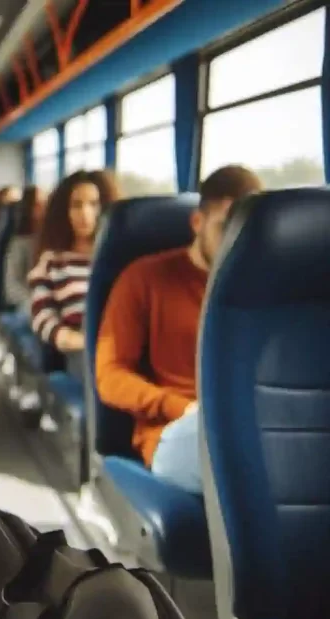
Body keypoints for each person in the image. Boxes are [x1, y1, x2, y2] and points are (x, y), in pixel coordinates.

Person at [95, 165, 262, 480]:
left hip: (249, 421)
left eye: (245, 231)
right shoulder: (144, 278)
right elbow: (110, 375)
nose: (235, 242)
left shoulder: (266, 287)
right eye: (225, 227)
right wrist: (180, 407)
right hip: (175, 429)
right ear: (197, 222)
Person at [27, 170, 115, 356]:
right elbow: (43, 317)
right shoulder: (52, 262)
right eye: (76, 205)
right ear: (64, 211)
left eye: (93, 204)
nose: (85, 213)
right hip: (82, 353)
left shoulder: (118, 259)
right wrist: (72, 340)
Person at [3, 185, 45, 315]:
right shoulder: (19, 243)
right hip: (28, 306)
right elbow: (12, 286)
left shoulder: (53, 239)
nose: (44, 208)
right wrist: (33, 303)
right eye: (39, 205)